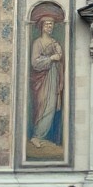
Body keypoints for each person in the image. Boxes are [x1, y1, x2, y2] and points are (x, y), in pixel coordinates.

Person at [29, 16, 63, 146]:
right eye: (48, 24)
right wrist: (51, 58)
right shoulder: (37, 43)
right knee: (42, 104)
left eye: (52, 24)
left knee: (51, 106)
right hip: (42, 80)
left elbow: (60, 59)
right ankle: (36, 136)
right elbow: (34, 62)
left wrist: (59, 55)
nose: (50, 27)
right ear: (42, 26)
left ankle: (43, 136)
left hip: (53, 76)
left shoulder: (55, 42)